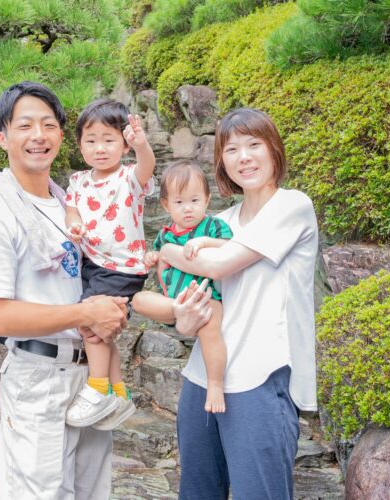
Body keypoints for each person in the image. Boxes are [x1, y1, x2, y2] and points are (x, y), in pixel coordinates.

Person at [0, 81, 128, 500]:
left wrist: (112, 308)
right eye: (25, 126)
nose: (38, 135)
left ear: (60, 135)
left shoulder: (73, 206)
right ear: (2, 138)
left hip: (89, 378)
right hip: (39, 380)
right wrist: (86, 314)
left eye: (48, 125)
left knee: (94, 492)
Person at [146, 108, 319, 499]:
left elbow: (218, 264)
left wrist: (165, 250)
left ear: (273, 149)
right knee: (197, 492)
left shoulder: (291, 206)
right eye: (232, 149)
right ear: (221, 160)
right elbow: (185, 301)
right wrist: (184, 320)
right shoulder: (218, 221)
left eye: (254, 144)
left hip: (261, 378)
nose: (244, 157)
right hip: (202, 376)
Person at [63, 99, 155, 431]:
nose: (99, 148)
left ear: (124, 144)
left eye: (109, 140)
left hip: (121, 268)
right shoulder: (78, 180)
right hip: (91, 264)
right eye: (91, 140)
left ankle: (97, 387)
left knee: (90, 323)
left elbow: (147, 165)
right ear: (80, 145)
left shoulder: (130, 177)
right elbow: (71, 210)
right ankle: (118, 393)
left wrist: (142, 145)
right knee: (102, 330)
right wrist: (74, 225)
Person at [132, 162, 233, 413]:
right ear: (166, 205)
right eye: (179, 202)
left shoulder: (213, 227)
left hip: (205, 299)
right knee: (138, 299)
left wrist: (204, 242)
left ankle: (215, 384)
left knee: (211, 334)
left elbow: (232, 247)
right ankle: (180, 311)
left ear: (207, 200)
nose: (188, 208)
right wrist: (152, 257)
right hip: (175, 303)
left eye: (195, 200)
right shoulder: (165, 234)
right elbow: (158, 255)